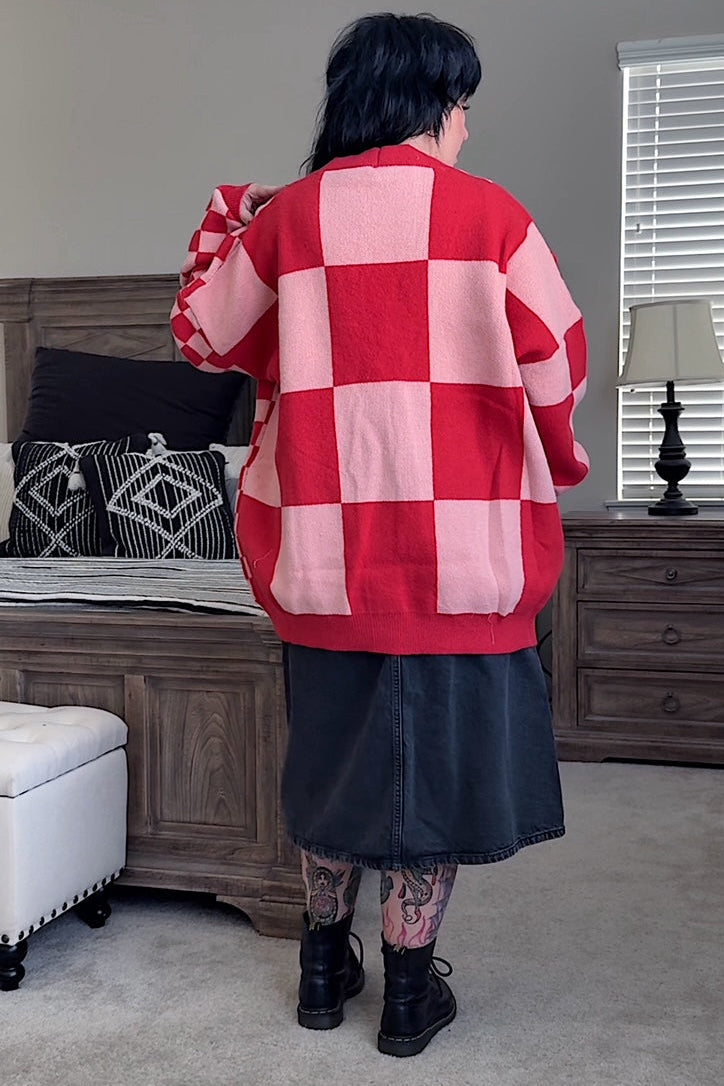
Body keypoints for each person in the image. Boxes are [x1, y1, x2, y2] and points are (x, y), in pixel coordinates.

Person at [171, 11, 588, 1058]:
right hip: (461, 561)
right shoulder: (492, 218)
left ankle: (322, 969)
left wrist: (235, 211)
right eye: (463, 105)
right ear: (436, 102)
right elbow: (559, 368)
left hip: (323, 559)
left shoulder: (290, 223)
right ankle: (408, 992)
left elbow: (203, 332)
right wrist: (551, 460)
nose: (466, 125)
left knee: (329, 765)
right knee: (435, 780)